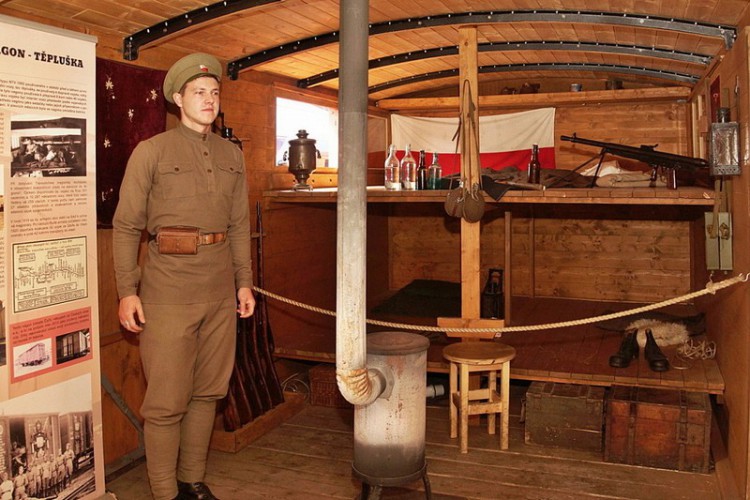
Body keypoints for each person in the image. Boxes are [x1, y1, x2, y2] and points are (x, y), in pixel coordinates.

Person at [112, 52, 255, 500]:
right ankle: (164, 492)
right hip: (168, 294)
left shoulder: (232, 155)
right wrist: (127, 291)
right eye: (198, 92)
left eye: (214, 92)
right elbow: (126, 226)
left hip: (219, 293)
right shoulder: (152, 151)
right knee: (166, 401)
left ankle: (191, 481)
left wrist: (243, 282)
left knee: (208, 393)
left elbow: (238, 225)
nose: (209, 99)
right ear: (178, 98)